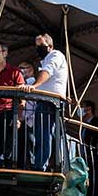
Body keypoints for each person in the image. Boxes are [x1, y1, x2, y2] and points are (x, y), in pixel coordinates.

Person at [26, 33, 69, 170]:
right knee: (43, 135)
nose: (38, 48)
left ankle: (40, 166)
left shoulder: (55, 55)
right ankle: (43, 164)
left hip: (49, 101)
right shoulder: (45, 60)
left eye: (41, 45)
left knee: (44, 135)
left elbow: (48, 72)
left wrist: (33, 86)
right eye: (37, 45)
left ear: (50, 46)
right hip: (45, 101)